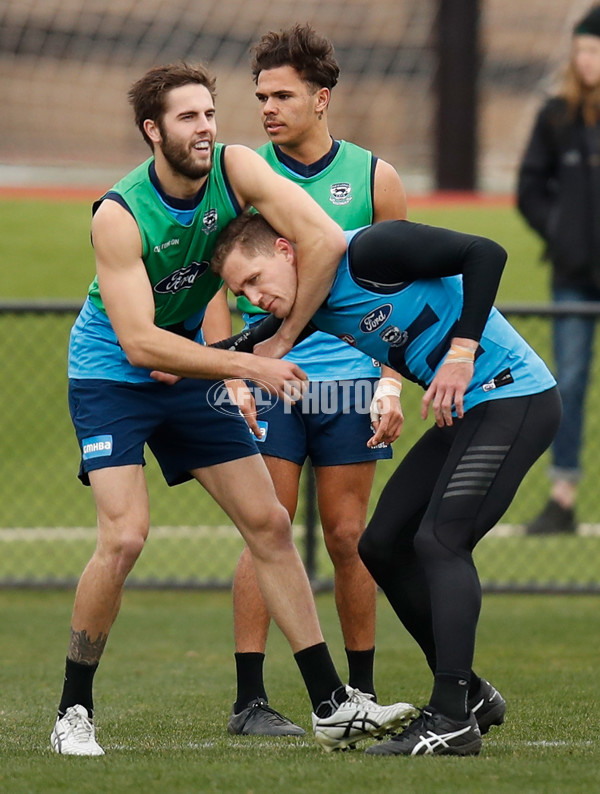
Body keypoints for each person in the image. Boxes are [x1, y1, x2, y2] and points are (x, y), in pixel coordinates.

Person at [49, 62, 418, 757]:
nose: (207, 128)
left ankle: (333, 706)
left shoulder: (236, 167)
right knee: (125, 538)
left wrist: (278, 336)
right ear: (152, 131)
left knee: (269, 525)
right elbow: (137, 341)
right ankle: (73, 710)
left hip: (190, 363)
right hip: (110, 375)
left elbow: (324, 241)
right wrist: (248, 363)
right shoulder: (119, 214)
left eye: (211, 114)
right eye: (188, 118)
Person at [211, 212, 561, 756]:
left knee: (441, 541)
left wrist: (462, 353)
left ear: (285, 249)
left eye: (254, 279)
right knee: (382, 544)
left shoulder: (370, 251)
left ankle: (450, 717)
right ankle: (470, 695)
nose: (253, 297)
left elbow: (485, 253)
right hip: (472, 412)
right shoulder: (314, 301)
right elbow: (261, 338)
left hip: (513, 395)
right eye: (240, 292)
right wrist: (193, 361)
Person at [212, 24, 407, 737]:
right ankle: (250, 701)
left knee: (350, 536)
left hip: (351, 382)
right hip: (268, 378)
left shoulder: (375, 176)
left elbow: (403, 287)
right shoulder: (239, 178)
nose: (267, 107)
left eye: (283, 94)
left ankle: (358, 693)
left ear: (322, 99)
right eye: (261, 94)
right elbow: (211, 287)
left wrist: (390, 380)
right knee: (267, 530)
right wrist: (231, 370)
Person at [517, 4, 600, 535]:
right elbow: (529, 189)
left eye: (596, 50)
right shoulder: (556, 115)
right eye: (583, 50)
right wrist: (565, 233)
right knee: (566, 381)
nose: (587, 60)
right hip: (572, 277)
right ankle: (562, 497)